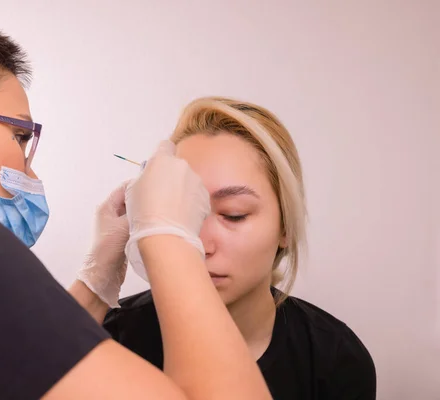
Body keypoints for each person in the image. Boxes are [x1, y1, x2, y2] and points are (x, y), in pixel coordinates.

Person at [0, 12, 272, 399]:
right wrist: (169, 238)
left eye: (233, 215)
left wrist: (98, 278)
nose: (29, 173)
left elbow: (25, 368)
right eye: (20, 136)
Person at [100, 97, 377, 400]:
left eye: (234, 214)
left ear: (285, 226)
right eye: (186, 214)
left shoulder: (335, 359)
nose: (200, 245)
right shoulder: (112, 337)